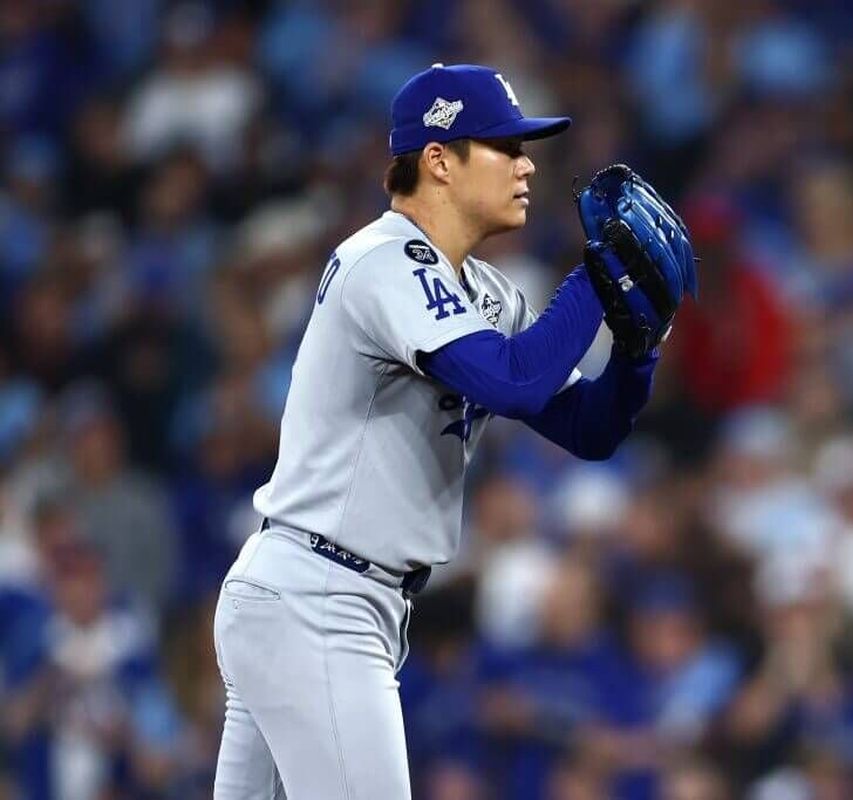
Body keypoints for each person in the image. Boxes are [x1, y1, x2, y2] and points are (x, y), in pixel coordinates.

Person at [212, 63, 665, 799]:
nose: (526, 165)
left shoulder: (481, 290)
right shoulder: (383, 260)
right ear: (438, 161)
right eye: (504, 147)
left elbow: (588, 428)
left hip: (325, 596)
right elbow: (513, 381)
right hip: (318, 599)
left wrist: (637, 350)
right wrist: (597, 277)